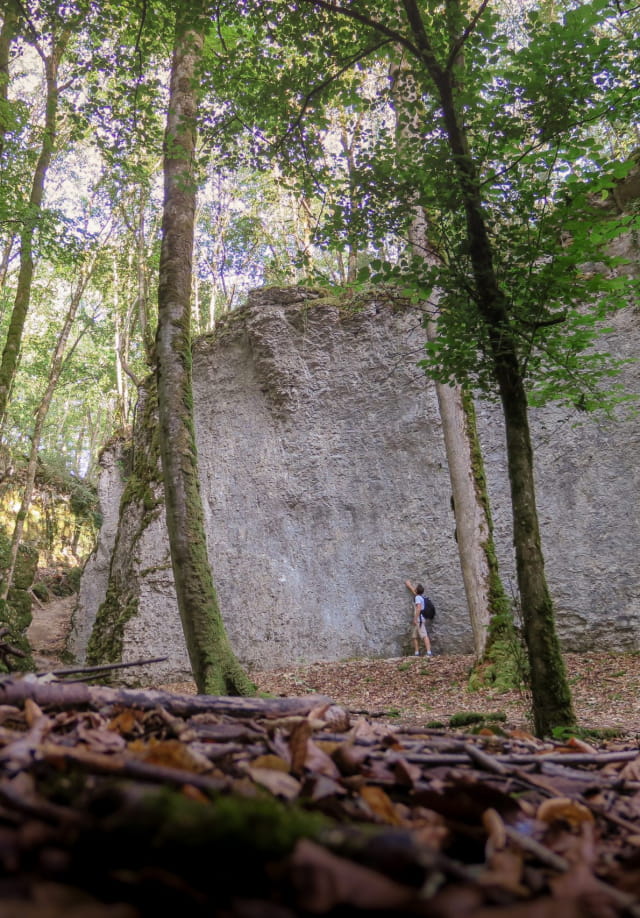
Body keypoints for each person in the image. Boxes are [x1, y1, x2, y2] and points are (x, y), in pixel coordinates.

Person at [405, 579, 433, 657]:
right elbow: (414, 592)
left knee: (424, 635)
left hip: (419, 620)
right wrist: (409, 585)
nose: (415, 589)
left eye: (415, 588)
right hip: (418, 620)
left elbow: (418, 608)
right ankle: (416, 653)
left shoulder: (418, 598)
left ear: (417, 590)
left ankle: (429, 652)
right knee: (414, 636)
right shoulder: (419, 597)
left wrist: (415, 618)